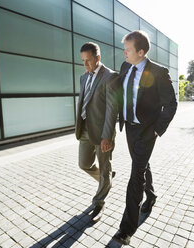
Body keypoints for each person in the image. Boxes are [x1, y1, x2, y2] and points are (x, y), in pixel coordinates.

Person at [112, 31, 177, 245]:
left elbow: (171, 104)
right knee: (141, 165)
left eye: (128, 49)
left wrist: (156, 130)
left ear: (141, 52)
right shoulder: (124, 67)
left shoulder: (159, 72)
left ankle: (126, 229)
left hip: (147, 131)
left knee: (135, 175)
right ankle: (151, 196)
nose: (124, 53)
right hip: (130, 128)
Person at [75, 42, 118, 223]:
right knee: (83, 164)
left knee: (104, 169)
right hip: (85, 129)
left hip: (102, 133)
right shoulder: (84, 77)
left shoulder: (110, 77)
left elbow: (111, 109)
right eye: (83, 61)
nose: (85, 64)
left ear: (98, 58)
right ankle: (106, 177)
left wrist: (107, 136)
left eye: (88, 60)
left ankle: (99, 202)